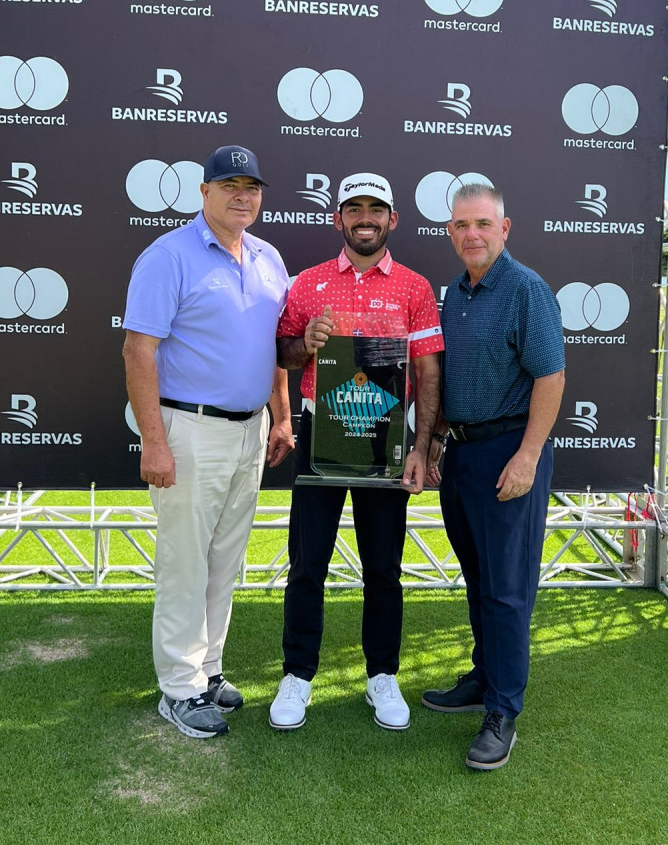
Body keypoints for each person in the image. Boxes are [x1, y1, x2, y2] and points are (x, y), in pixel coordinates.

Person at [122, 144, 293, 739]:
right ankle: (177, 687)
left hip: (251, 430)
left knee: (225, 560)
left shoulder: (270, 257)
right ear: (205, 192)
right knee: (185, 562)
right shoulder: (167, 256)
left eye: (252, 187)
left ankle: (208, 671)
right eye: (230, 186)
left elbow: (273, 346)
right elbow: (138, 350)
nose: (242, 196)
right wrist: (154, 441)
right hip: (188, 429)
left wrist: (282, 416)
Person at [269, 172, 443, 732]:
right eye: (354, 208)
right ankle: (298, 674)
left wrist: (422, 446)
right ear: (337, 218)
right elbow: (285, 354)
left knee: (384, 569)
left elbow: (427, 370)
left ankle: (381, 676)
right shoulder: (309, 283)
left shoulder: (414, 288)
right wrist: (305, 344)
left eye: (376, 209)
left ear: (393, 219)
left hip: (386, 443)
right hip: (323, 438)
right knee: (307, 565)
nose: (364, 218)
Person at [423, 183, 565, 771]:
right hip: (462, 454)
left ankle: (504, 709)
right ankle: (485, 678)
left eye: (483, 223)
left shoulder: (527, 288)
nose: (472, 234)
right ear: (450, 232)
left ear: (504, 229)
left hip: (510, 452)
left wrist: (528, 456)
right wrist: (433, 444)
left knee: (507, 588)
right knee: (479, 577)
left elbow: (550, 378)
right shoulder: (453, 294)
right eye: (461, 225)